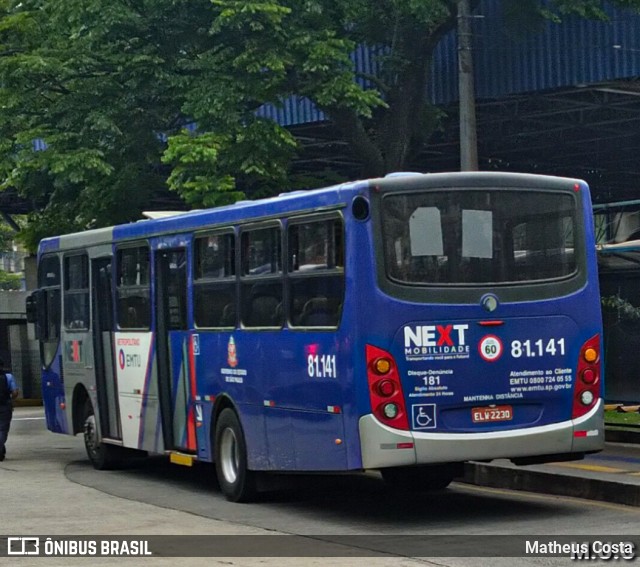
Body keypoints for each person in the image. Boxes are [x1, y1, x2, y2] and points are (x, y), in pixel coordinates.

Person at [0, 359, 19, 462]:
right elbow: (15, 392)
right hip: (5, 406)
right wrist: (11, 399)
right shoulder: (8, 377)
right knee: (2, 430)